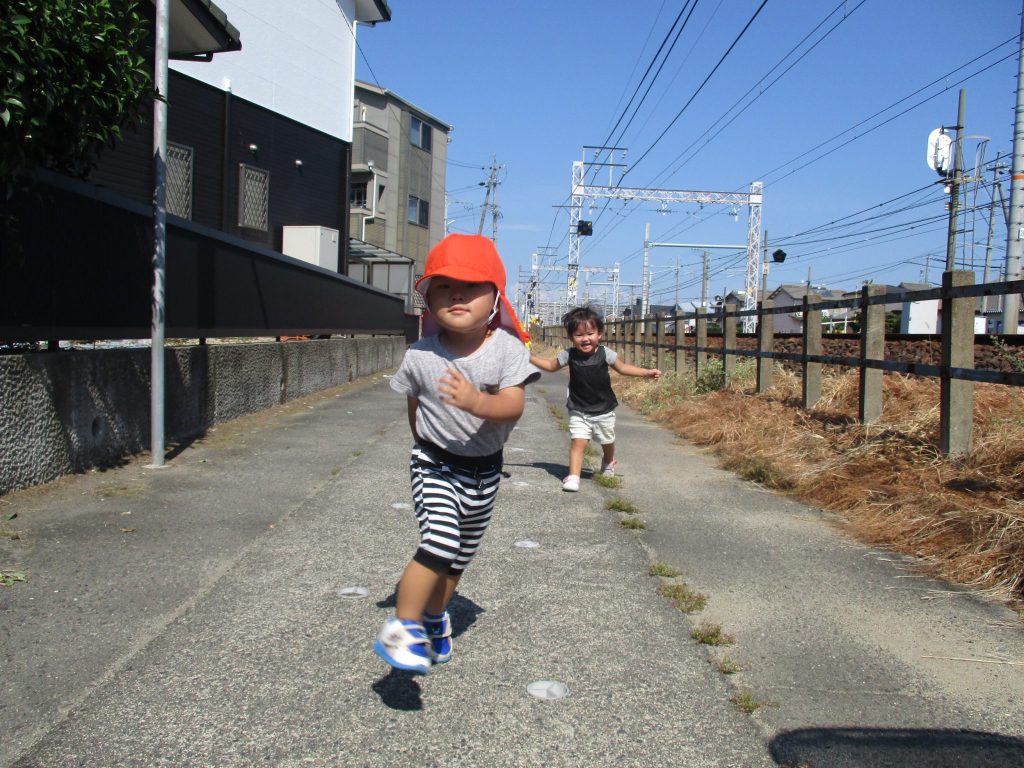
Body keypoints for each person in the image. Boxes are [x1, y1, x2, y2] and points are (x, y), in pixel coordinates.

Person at [375, 233, 539, 675]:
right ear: (428, 297)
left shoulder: (506, 350)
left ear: (496, 297)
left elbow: (513, 406)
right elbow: (416, 406)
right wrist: (425, 442)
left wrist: (475, 402)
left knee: (456, 562)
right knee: (439, 542)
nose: (457, 294)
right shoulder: (421, 355)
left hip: (485, 473)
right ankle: (402, 626)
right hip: (435, 464)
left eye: (471, 286)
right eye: (444, 286)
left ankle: (433, 616)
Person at [530, 306, 661, 492]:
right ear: (571, 338)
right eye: (579, 335)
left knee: (606, 440)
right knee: (578, 441)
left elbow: (623, 368)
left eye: (590, 333)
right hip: (578, 408)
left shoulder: (605, 353)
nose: (585, 339)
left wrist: (646, 373)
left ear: (599, 334)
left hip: (604, 408)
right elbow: (551, 366)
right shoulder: (569, 355)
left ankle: (608, 460)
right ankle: (574, 476)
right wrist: (529, 357)